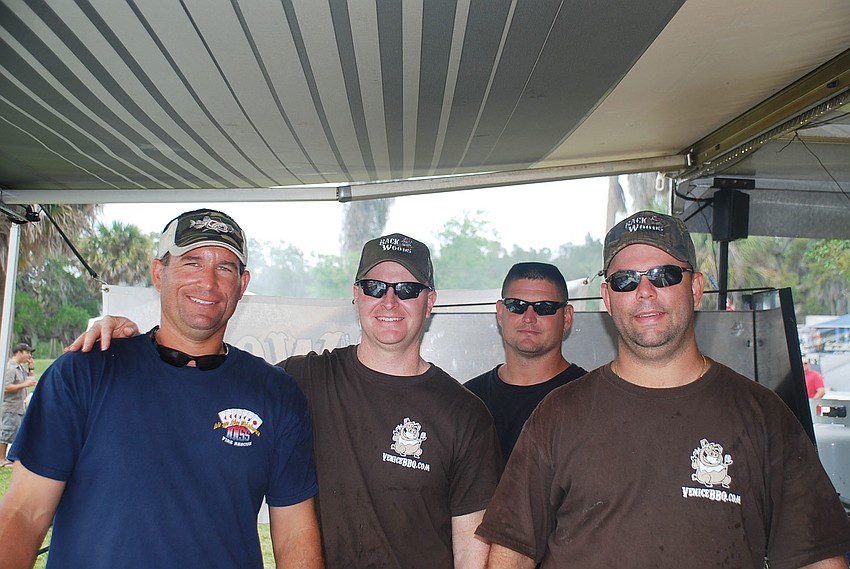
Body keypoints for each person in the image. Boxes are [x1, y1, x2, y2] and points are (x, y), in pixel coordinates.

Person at [65, 232, 502, 569]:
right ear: (355, 295)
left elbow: (472, 555)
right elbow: (201, 369)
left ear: (430, 303)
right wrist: (124, 335)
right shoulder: (297, 381)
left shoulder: (464, 415)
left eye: (407, 289)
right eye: (375, 286)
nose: (389, 300)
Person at [477, 210, 850, 568]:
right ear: (607, 298)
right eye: (626, 280)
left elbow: (815, 557)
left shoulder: (763, 417)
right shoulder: (558, 413)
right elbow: (511, 551)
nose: (644, 291)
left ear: (696, 288)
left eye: (664, 275)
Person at [0, 209, 322, 569]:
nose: (208, 282)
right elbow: (23, 514)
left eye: (225, 268)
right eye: (192, 263)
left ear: (242, 285)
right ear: (158, 273)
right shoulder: (84, 371)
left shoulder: (276, 394)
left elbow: (295, 534)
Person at [464, 263, 586, 459]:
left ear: (567, 317)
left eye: (544, 308)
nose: (529, 318)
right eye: (516, 306)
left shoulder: (590, 401)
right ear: (500, 312)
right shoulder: (468, 401)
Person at [1, 343, 37, 467]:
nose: (29, 355)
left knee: (15, 432)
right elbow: (6, 387)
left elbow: (30, 381)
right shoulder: (10, 368)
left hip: (19, 406)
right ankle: (1, 459)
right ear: (19, 352)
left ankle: (11, 458)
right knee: (6, 432)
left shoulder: (20, 367)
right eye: (27, 352)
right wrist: (25, 385)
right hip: (9, 406)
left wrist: (31, 368)